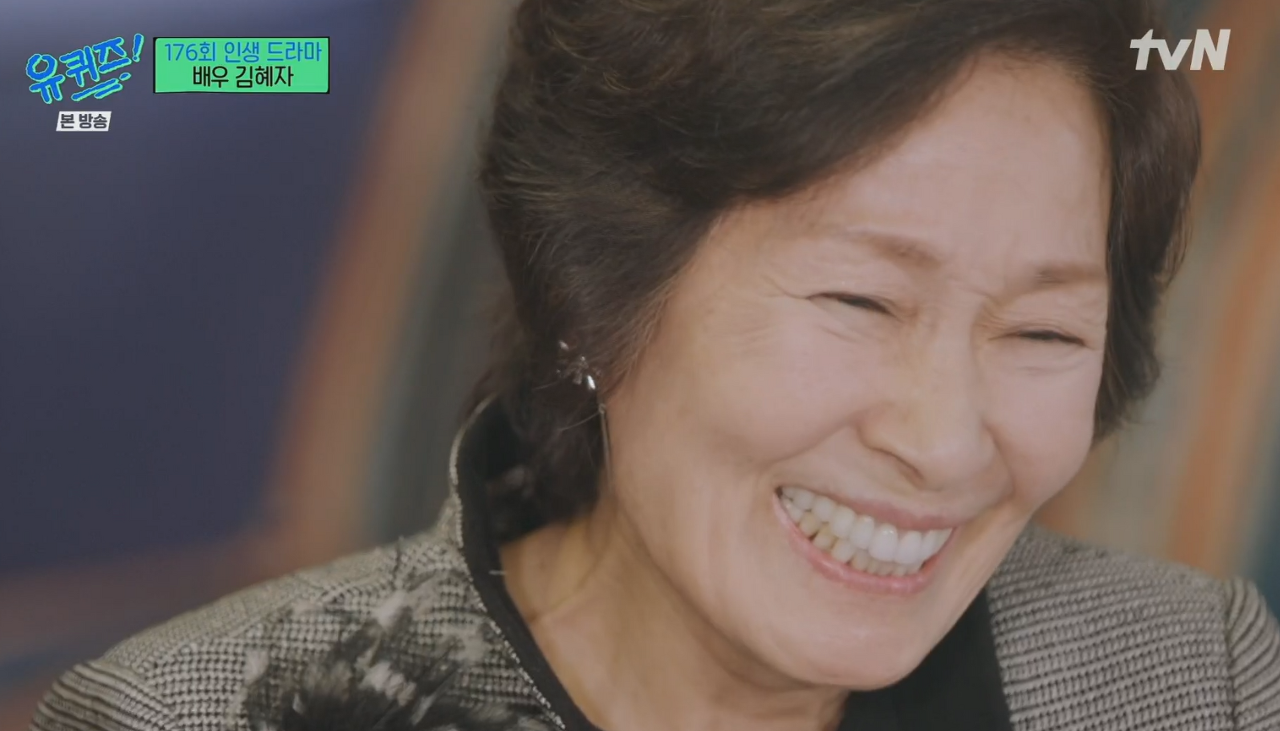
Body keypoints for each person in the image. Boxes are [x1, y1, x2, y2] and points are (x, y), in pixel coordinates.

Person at [31, 0, 1280, 729]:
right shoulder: (200, 710)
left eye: (1042, 332)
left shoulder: (1190, 673)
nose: (945, 441)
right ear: (592, 294)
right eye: (857, 300)